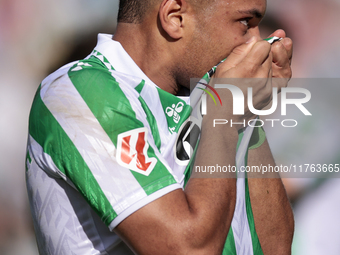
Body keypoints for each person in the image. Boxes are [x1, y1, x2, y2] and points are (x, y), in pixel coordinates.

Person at [25, 0, 294, 254]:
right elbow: (189, 249)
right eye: (246, 22)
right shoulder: (80, 93)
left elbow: (275, 249)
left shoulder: (212, 101)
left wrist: (246, 112)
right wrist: (225, 109)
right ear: (175, 17)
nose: (257, 43)